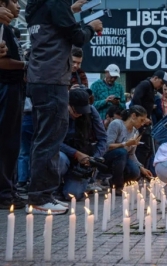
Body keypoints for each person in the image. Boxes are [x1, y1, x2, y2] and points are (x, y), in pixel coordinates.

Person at [25, 0, 103, 214]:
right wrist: (92, 26)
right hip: (52, 78)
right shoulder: (56, 1)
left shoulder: (36, 5)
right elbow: (77, 36)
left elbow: (52, 25)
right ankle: (41, 197)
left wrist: (71, 11)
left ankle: (38, 194)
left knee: (42, 137)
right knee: (50, 138)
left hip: (39, 77)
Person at [58, 89, 107, 202]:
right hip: (64, 154)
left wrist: (94, 158)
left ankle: (73, 185)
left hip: (83, 160)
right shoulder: (59, 111)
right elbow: (54, 142)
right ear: (68, 104)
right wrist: (75, 153)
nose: (79, 114)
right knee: (59, 159)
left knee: (72, 195)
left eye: (82, 111)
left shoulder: (91, 111)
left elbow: (103, 139)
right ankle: (54, 188)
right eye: (76, 110)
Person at [0, 0, 26, 209]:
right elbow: (2, 62)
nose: (18, 6)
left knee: (12, 144)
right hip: (6, 88)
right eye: (14, 1)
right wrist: (27, 65)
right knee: (6, 142)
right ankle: (4, 193)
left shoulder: (9, 29)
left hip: (15, 88)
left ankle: (10, 189)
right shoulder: (1, 26)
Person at [102, 105, 152, 195]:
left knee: (136, 172)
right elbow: (107, 146)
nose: (142, 124)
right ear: (133, 116)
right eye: (141, 120)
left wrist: (141, 167)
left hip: (123, 159)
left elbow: (131, 154)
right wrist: (125, 144)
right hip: (107, 158)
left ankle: (112, 181)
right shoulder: (117, 124)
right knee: (122, 152)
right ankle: (118, 186)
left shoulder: (135, 132)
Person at [131, 70, 167, 172]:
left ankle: (141, 171)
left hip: (144, 121)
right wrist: (142, 117)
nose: (161, 86)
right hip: (139, 122)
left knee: (146, 148)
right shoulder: (145, 84)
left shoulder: (151, 88)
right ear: (155, 78)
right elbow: (135, 99)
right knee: (142, 147)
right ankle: (138, 172)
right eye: (161, 83)